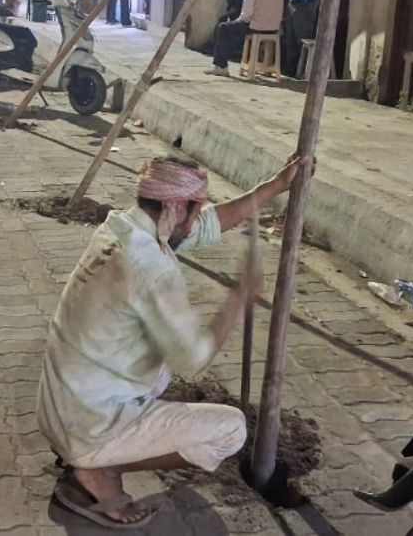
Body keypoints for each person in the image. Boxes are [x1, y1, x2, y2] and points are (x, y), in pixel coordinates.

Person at [38, 155, 310, 529]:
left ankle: (92, 455)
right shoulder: (150, 269)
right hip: (89, 424)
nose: (198, 221)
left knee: (155, 370)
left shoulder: (123, 228)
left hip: (63, 406)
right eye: (195, 210)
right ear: (176, 208)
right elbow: (195, 356)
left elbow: (210, 224)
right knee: (231, 429)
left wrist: (276, 185)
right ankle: (97, 469)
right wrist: (238, 298)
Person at [204, 0, 285, 77]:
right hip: (274, 28)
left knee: (224, 28)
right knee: (233, 27)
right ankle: (267, 68)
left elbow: (246, 13)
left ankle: (221, 66)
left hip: (256, 27)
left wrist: (236, 21)